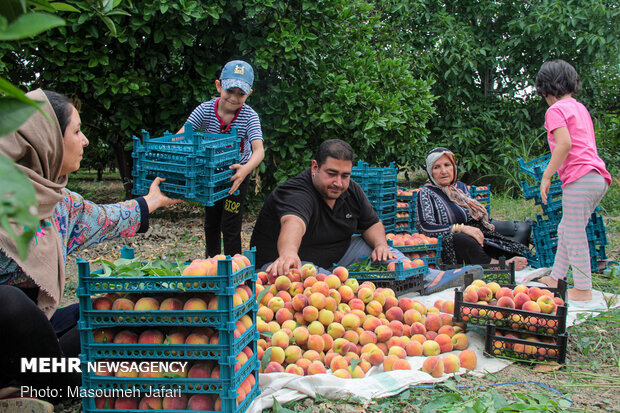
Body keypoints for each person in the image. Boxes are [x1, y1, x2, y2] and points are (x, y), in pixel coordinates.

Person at [0, 89, 181, 410]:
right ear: (50, 139)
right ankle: (49, 386)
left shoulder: (59, 204)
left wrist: (153, 201)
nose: (84, 141)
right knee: (8, 301)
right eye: (77, 131)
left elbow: (106, 218)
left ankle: (29, 388)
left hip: (33, 349)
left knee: (118, 306)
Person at [250, 139, 482, 293]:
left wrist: (380, 244)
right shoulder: (297, 192)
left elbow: (372, 223)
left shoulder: (351, 189)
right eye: (332, 174)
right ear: (314, 167)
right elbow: (294, 222)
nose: (338, 183)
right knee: (328, 289)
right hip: (285, 264)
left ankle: (429, 278)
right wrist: (288, 253)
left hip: (337, 256)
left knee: (375, 248)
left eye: (345, 175)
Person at [534, 60, 611, 301]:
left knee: (574, 233)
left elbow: (565, 144)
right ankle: (557, 276)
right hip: (597, 177)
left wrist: (547, 175)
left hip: (580, 178)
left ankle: (583, 288)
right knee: (566, 229)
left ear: (544, 90)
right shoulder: (579, 108)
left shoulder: (554, 110)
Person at [178, 60, 264, 258]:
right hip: (211, 177)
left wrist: (244, 170)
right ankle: (212, 265)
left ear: (248, 94)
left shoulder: (249, 116)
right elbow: (182, 135)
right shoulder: (204, 110)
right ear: (219, 86)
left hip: (236, 178)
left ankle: (234, 268)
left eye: (240, 94)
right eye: (229, 91)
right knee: (212, 223)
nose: (234, 98)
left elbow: (259, 150)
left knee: (231, 223)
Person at [416, 147, 529, 270]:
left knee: (520, 228)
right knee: (462, 238)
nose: (444, 171)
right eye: (437, 167)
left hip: (473, 229)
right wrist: (461, 228)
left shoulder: (460, 188)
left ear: (454, 167)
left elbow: (472, 217)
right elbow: (424, 226)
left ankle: (514, 257)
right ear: (430, 172)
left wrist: (483, 226)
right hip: (449, 239)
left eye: (447, 165)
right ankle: (497, 265)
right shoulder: (426, 193)